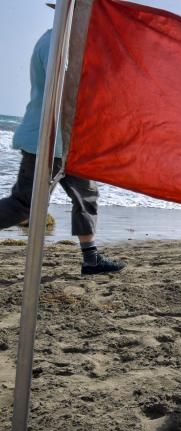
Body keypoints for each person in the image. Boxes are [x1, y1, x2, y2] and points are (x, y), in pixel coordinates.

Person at [0, 26, 125, 275]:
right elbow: (62, 88)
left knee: (86, 196)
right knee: (25, 204)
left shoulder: (71, 42)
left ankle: (91, 259)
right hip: (45, 141)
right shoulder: (55, 42)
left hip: (71, 143)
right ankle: (91, 259)